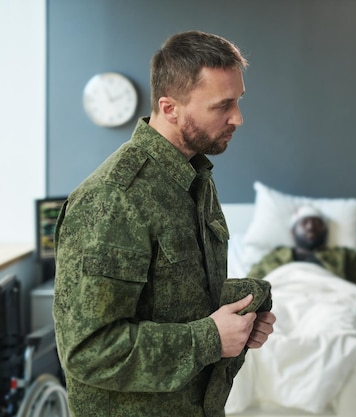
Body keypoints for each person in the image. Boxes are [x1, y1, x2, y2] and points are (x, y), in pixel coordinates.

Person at [52, 31, 275, 417]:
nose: (237, 117)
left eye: (238, 101)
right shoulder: (112, 198)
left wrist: (236, 326)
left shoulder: (195, 179)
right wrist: (209, 337)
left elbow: (181, 301)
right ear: (170, 108)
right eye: (223, 105)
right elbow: (88, 351)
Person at [248, 205, 356, 296]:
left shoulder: (345, 256)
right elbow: (250, 286)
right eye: (304, 222)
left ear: (326, 230)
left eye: (317, 223)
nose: (311, 226)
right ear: (293, 231)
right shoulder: (274, 257)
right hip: (283, 298)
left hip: (333, 301)